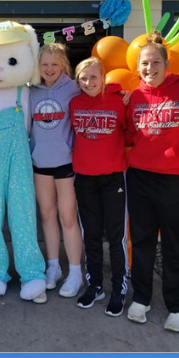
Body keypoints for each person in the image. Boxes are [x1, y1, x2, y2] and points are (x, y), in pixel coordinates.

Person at [125, 31, 179, 332]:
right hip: (139, 177)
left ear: (167, 64)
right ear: (137, 66)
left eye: (155, 62)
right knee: (141, 241)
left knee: (174, 244)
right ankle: (141, 298)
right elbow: (128, 135)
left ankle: (178, 305)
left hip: (174, 179)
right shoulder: (134, 97)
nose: (149, 68)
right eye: (144, 63)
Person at [69, 57, 128, 312]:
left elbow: (132, 133)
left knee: (116, 238)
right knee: (90, 235)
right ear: (77, 80)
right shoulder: (74, 103)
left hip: (113, 177)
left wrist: (123, 93)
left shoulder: (119, 101)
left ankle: (119, 288)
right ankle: (95, 286)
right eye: (83, 78)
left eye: (94, 77)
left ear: (103, 77)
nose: (88, 82)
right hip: (84, 177)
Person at [29, 43, 83, 297]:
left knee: (68, 218)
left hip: (66, 164)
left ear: (63, 65)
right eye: (44, 64)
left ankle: (75, 272)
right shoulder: (31, 91)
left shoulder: (73, 87)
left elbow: (100, 88)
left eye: (54, 64)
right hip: (40, 163)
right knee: (47, 216)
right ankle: (53, 266)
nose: (49, 69)